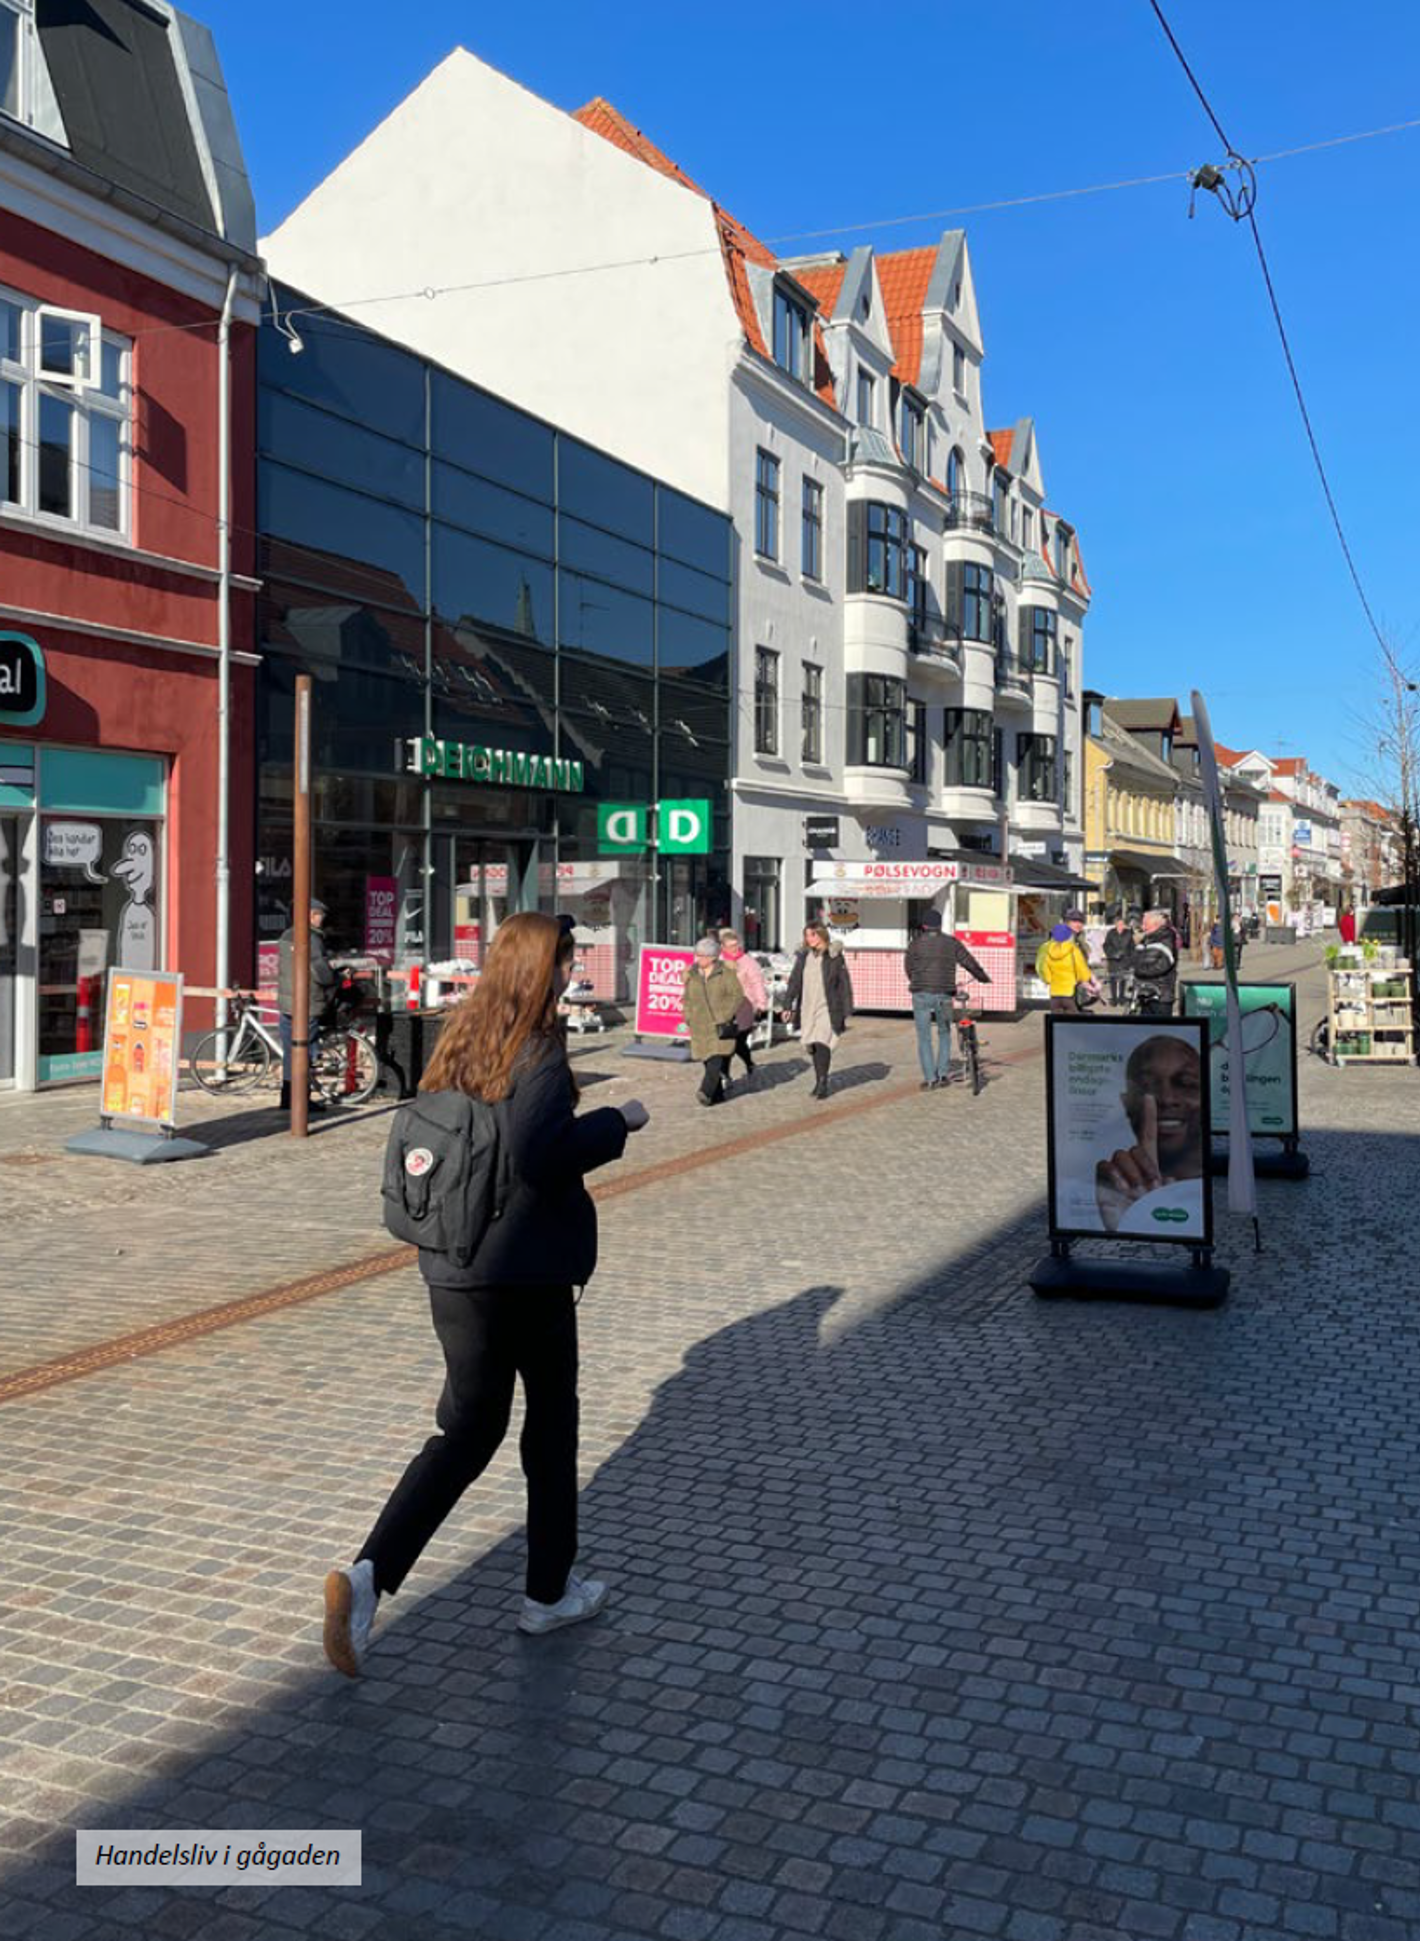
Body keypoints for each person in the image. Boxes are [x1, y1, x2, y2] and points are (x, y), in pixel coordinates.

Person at [322, 912, 649, 1677]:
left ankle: (368, 1576)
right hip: (523, 1269)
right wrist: (616, 1121)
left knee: (467, 1431)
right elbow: (538, 1152)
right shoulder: (539, 1045)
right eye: (564, 961)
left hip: (452, 1266)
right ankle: (547, 1592)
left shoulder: (461, 1036)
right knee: (551, 1426)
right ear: (541, 969)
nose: (571, 973)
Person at [1095, 1034, 1205, 1235]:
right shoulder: (1111, 1187)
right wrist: (1128, 1221)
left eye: (1186, 1084)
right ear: (1126, 1103)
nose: (1166, 1099)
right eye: (1148, 1086)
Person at [903, 909, 988, 1089]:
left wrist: (917, 981)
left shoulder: (915, 944)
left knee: (924, 1037)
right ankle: (942, 1076)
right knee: (944, 1033)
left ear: (924, 926)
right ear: (939, 925)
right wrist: (982, 977)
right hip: (944, 993)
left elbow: (908, 968)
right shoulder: (951, 943)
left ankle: (930, 1079)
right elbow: (968, 961)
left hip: (920, 994)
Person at [278, 898, 339, 1113]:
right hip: (307, 1003)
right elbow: (320, 972)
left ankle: (287, 1097)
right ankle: (301, 1099)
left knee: (290, 1052)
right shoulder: (310, 938)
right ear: (311, 915)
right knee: (304, 1052)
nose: (322, 919)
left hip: (287, 1003)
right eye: (320, 915)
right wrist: (337, 977)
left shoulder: (286, 935)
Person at [782, 921, 853, 1099]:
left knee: (822, 1041)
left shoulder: (834, 956)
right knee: (812, 1044)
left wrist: (846, 1008)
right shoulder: (803, 956)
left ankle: (823, 1082)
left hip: (827, 1006)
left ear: (822, 934)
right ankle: (819, 1078)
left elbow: (843, 983)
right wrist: (787, 1004)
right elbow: (795, 981)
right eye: (807, 935)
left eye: (813, 934)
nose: (809, 938)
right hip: (807, 1006)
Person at [680, 935, 744, 1105]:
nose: (698, 958)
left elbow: (737, 995)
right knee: (707, 1060)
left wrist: (725, 1014)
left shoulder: (725, 974)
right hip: (699, 1025)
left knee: (716, 1059)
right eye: (698, 954)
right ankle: (717, 1096)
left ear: (712, 957)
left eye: (703, 955)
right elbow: (687, 998)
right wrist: (688, 1016)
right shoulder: (692, 975)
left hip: (719, 1025)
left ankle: (705, 1090)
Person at [719, 929, 768, 1078]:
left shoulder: (748, 962)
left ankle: (748, 1063)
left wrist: (761, 1004)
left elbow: (757, 983)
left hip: (744, 1008)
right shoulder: (718, 961)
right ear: (723, 947)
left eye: (736, 945)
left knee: (737, 1041)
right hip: (723, 1009)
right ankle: (725, 1074)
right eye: (730, 946)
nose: (734, 949)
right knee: (726, 1042)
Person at [1038, 909, 1092, 1015]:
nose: (1078, 924)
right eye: (1074, 921)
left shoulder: (1079, 938)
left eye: (1081, 921)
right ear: (1066, 922)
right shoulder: (1061, 939)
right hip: (1067, 987)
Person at [1131, 909, 1178, 1015]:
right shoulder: (1145, 939)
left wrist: (1139, 970)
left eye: (1145, 924)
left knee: (1160, 1024)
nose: (1143, 927)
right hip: (1144, 994)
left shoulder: (1166, 937)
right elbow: (1134, 959)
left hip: (1160, 996)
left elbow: (1162, 966)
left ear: (1156, 924)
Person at [1102, 913, 1136, 1008]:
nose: (1121, 926)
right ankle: (1114, 999)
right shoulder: (1111, 933)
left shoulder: (1128, 933)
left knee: (1123, 980)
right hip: (1113, 960)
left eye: (1122, 924)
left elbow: (1132, 947)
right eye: (1119, 924)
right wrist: (1113, 954)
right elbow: (1106, 945)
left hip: (1125, 960)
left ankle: (1121, 998)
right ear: (1115, 924)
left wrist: (1131, 959)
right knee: (1113, 980)